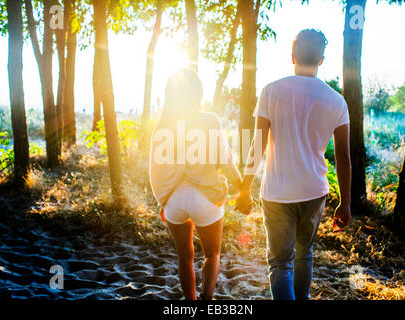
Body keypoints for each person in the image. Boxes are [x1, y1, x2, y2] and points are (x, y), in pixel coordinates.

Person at [235, 29, 352, 300]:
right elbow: (344, 157)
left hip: (277, 193)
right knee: (304, 255)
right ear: (321, 60)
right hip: (314, 192)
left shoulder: (271, 91)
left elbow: (257, 145)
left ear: (292, 56)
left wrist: (245, 189)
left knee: (280, 263)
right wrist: (344, 203)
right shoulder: (337, 101)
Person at [149, 69, 243, 300]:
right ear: (198, 94)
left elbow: (155, 168)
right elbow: (226, 162)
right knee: (212, 254)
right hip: (204, 198)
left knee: (185, 256)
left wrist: (164, 199)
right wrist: (243, 189)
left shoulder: (163, 125)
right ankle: (206, 301)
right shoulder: (209, 120)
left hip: (173, 201)